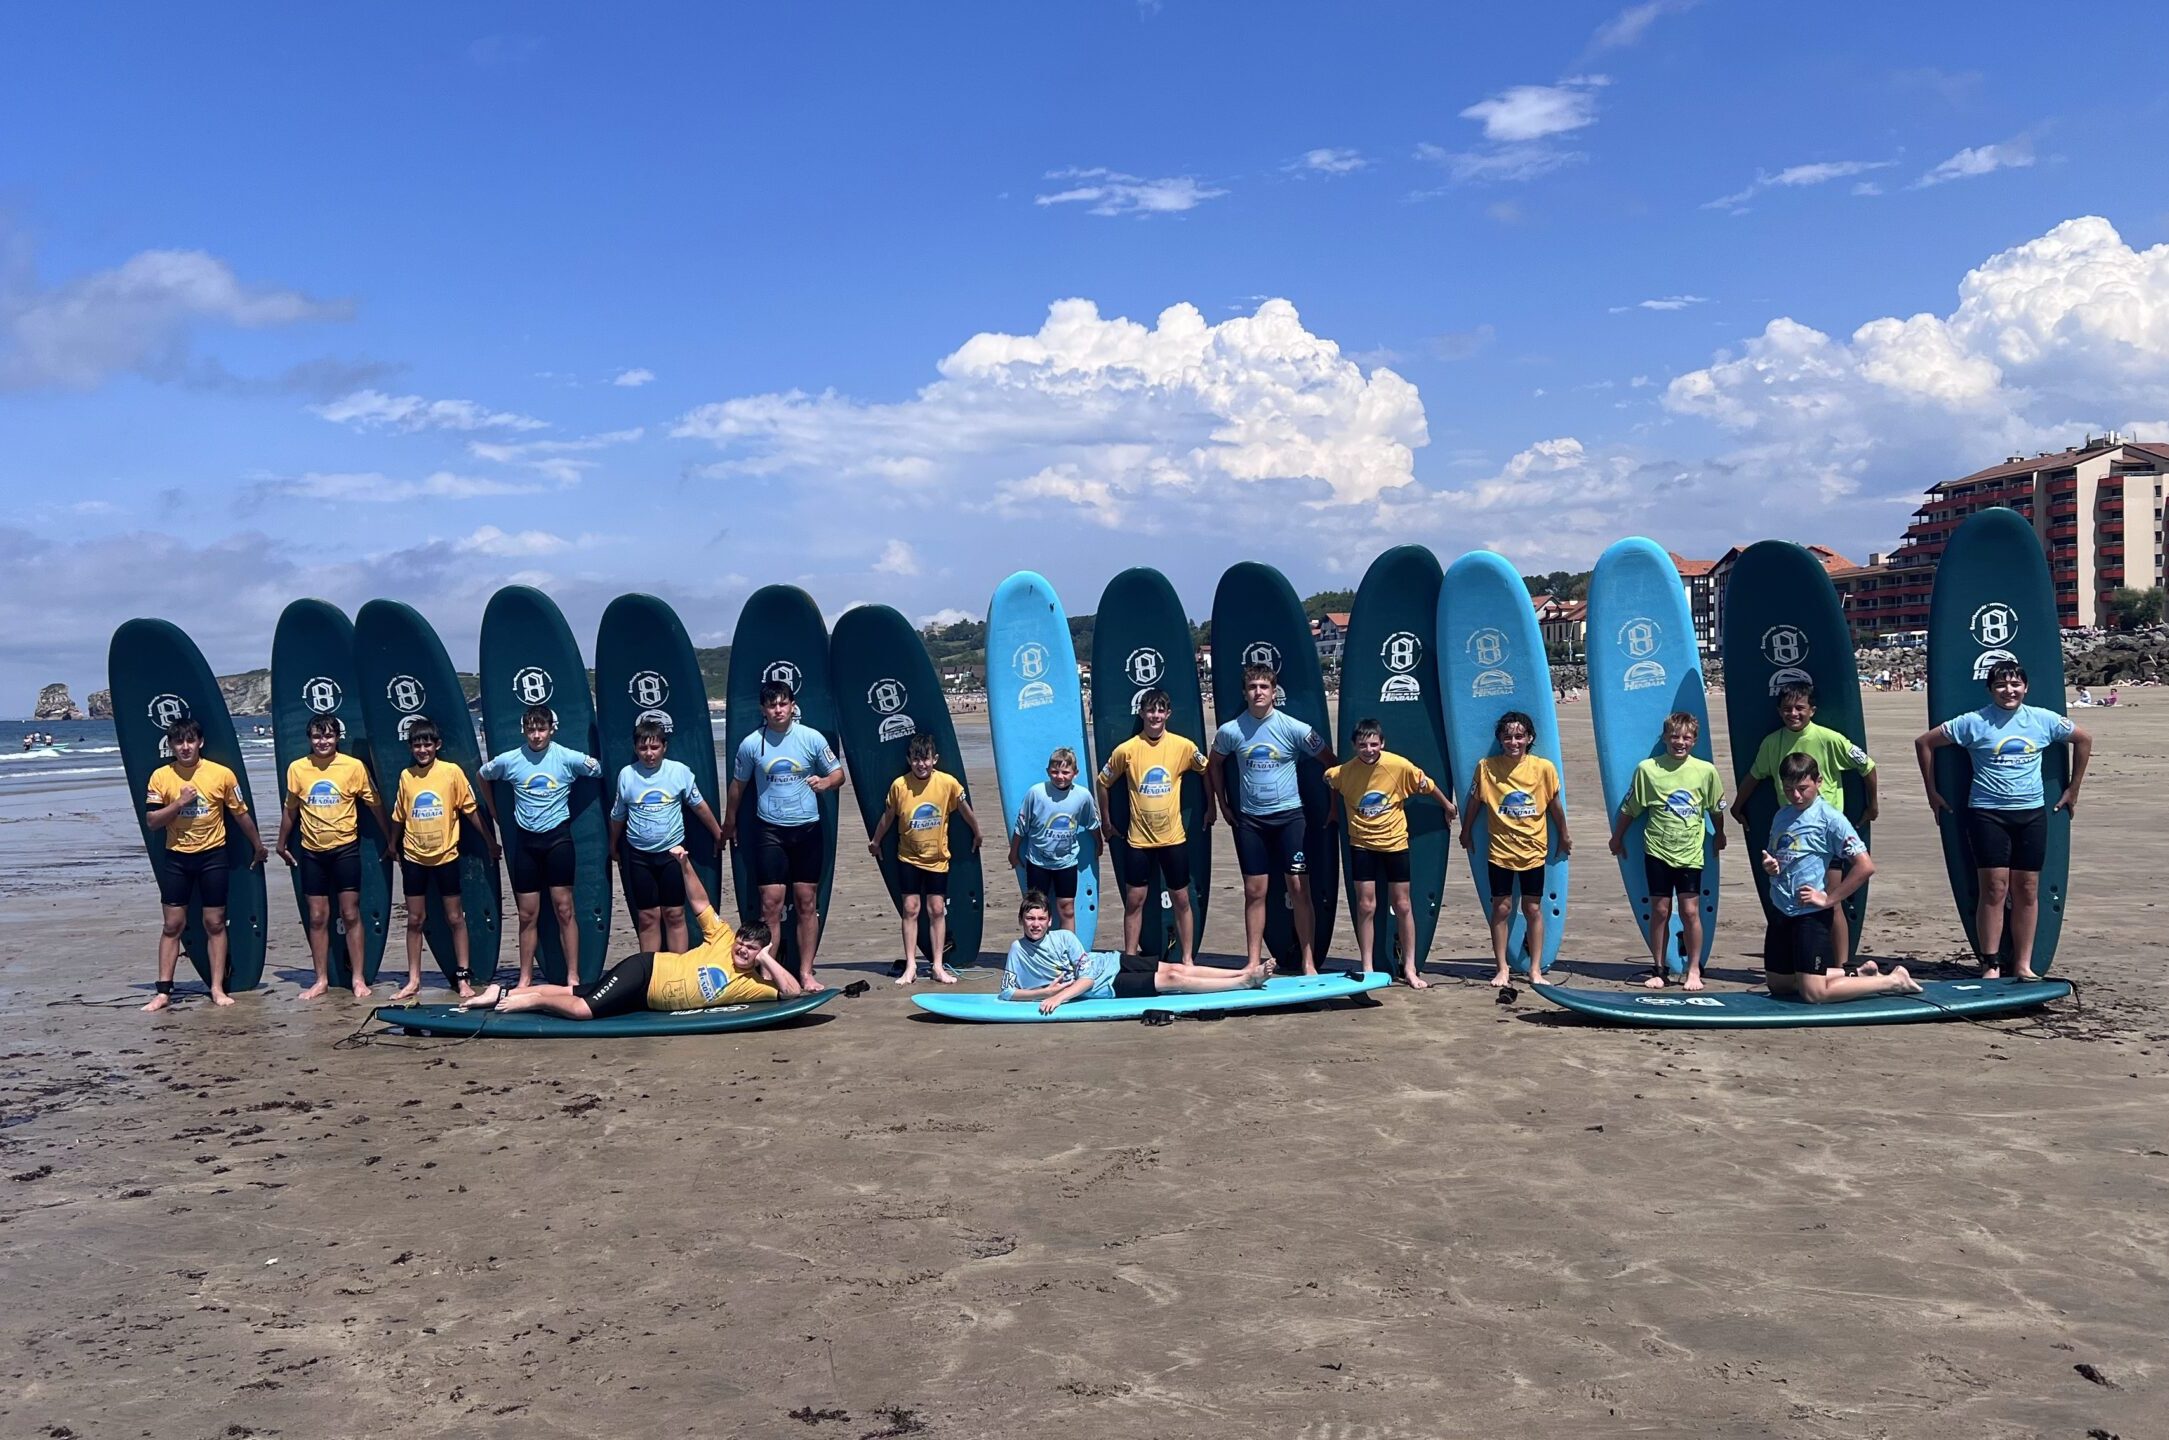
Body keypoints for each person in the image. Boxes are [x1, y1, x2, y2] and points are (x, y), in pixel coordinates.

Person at [462, 848, 798, 1019]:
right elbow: (699, 902)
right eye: (742, 941)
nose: (742, 949)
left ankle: (501, 992)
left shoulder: (753, 985)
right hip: (646, 971)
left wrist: (766, 957)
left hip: (645, 998)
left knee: (573, 990)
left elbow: (792, 992)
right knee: (582, 1010)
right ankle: (531, 1000)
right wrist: (684, 865)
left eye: (751, 948)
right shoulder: (723, 938)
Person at [1913, 660, 2092, 979]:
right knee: (1994, 889)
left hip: (2031, 814)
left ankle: (2023, 964)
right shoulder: (1974, 722)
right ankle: (1991, 964)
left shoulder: (2043, 720)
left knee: (2027, 888)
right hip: (1987, 813)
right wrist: (1932, 793)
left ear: (2026, 687)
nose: (2009, 690)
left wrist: (2073, 789)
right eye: (2000, 685)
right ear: (1990, 690)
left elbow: (2084, 739)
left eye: (2015, 684)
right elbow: (1924, 743)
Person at [1729, 682, 1877, 964]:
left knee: (1831, 903)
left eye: (1800, 708)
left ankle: (1842, 966)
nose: (1793, 713)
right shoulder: (1772, 743)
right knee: (1794, 901)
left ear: (1812, 710)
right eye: (1787, 709)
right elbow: (1754, 776)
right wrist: (1738, 806)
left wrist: (1872, 805)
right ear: (1779, 711)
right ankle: (1804, 963)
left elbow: (1867, 766)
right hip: (1791, 833)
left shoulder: (1829, 739)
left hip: (1825, 836)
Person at [1207, 662, 1337, 975]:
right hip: (1252, 822)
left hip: (1290, 819)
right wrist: (1223, 804)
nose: (1258, 692)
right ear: (1244, 692)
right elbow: (1214, 766)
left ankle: (1308, 961)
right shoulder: (1231, 730)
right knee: (1255, 892)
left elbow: (1331, 763)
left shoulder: (1295, 728)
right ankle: (1252, 961)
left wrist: (1333, 805)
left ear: (1274, 692)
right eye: (1252, 687)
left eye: (1264, 687)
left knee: (1299, 888)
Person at [1761, 754, 1920, 1001]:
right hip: (1782, 908)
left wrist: (1828, 900)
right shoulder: (1782, 815)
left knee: (1813, 993)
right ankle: (1858, 973)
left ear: (1818, 782)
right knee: (1779, 986)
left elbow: (1865, 866)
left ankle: (1893, 980)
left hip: (1810, 914)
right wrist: (1771, 866)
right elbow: (1782, 857)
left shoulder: (1830, 818)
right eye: (1789, 789)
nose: (1796, 796)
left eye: (1802, 788)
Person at [722, 680, 846, 990]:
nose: (778, 710)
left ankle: (806, 972)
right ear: (763, 709)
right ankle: (768, 976)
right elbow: (738, 786)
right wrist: (729, 822)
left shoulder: (811, 738)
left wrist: (826, 783)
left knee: (807, 903)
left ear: (792, 706)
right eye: (772, 705)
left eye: (783, 703)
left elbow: (838, 774)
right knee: (770, 906)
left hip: (807, 830)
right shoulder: (752, 744)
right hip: (770, 831)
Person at [140, 716, 268, 1012]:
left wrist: (258, 845)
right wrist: (179, 803)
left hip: (213, 856)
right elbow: (152, 821)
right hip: (177, 858)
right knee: (173, 925)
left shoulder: (221, 774)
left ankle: (217, 988)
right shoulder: (161, 776)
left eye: (190, 740)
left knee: (214, 923)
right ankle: (163, 992)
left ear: (200, 742)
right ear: (171, 745)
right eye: (178, 742)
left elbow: (240, 814)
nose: (185, 747)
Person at [478, 704, 602, 988]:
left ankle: (573, 975)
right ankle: (525, 978)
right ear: (523, 730)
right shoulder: (510, 760)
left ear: (551, 730)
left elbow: (599, 769)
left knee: (564, 910)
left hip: (558, 840)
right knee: (526, 915)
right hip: (527, 844)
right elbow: (482, 776)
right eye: (531, 729)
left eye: (541, 729)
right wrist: (496, 812)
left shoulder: (566, 757)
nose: (536, 735)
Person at [1325, 717, 1453, 988]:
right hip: (1362, 845)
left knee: (1403, 905)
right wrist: (1333, 810)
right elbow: (1329, 781)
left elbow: (1427, 785)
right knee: (1366, 905)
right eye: (1363, 745)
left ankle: (1410, 968)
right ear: (1354, 746)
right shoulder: (1343, 772)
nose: (1369, 750)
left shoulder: (1399, 766)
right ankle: (1367, 967)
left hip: (1395, 844)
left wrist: (1447, 807)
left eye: (1374, 744)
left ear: (1382, 743)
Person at [997, 891, 1269, 1015]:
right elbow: (1007, 992)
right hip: (1109, 986)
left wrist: (1059, 996)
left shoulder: (1064, 937)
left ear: (1049, 921)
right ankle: (1243, 983)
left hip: (1111, 962)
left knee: (1176, 967)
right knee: (1173, 979)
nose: (1035, 924)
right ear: (1021, 920)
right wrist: (1044, 993)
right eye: (1030, 919)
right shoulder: (1018, 950)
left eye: (1040, 919)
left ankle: (1241, 972)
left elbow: (1086, 976)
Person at [276, 716, 394, 1000]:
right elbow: (291, 809)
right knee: (317, 917)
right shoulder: (298, 768)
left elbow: (374, 804)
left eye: (328, 736)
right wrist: (281, 843)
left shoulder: (353, 767)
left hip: (345, 849)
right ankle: (321, 979)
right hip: (312, 852)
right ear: (309, 739)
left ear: (338, 737)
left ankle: (358, 978)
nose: (323, 742)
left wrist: (390, 840)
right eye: (317, 737)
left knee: (350, 913)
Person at [1608, 711, 1726, 991]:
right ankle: (1659, 969)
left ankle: (1694, 969)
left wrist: (1719, 834)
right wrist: (1617, 837)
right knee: (1660, 910)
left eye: (1686, 737)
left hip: (1690, 853)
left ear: (1694, 740)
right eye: (1674, 736)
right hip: (1657, 850)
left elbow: (1715, 808)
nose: (1680, 742)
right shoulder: (1648, 769)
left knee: (1690, 911)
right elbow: (1630, 808)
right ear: (1664, 738)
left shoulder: (1706, 771)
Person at [1095, 691, 1210, 964]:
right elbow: (1103, 783)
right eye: (1150, 710)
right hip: (1138, 841)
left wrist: (1212, 807)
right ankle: (1130, 959)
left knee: (1181, 899)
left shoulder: (1183, 746)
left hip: (1173, 839)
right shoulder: (1127, 750)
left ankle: (1187, 959)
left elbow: (1206, 771)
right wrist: (1106, 821)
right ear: (1142, 713)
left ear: (1167, 714)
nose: (1155, 716)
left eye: (1160, 711)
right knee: (1135, 900)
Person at [387, 717, 497, 1000]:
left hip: (446, 856)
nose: (422, 750)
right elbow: (399, 816)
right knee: (415, 919)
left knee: (455, 917)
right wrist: (391, 844)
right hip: (413, 857)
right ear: (410, 748)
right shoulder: (407, 776)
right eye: (417, 745)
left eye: (427, 744)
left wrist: (490, 841)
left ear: (437, 745)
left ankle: (463, 978)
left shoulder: (451, 772)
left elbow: (470, 810)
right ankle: (413, 980)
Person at [1459, 710, 1570, 987]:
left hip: (1533, 850)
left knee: (1532, 908)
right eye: (1508, 737)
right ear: (1499, 739)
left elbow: (1555, 805)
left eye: (1519, 736)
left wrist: (1564, 835)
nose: (1514, 742)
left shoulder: (1543, 768)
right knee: (1502, 908)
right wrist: (1466, 830)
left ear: (1529, 738)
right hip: (1500, 851)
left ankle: (1535, 969)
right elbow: (1474, 802)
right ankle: (1502, 967)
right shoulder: (1487, 767)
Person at [868, 733, 983, 985]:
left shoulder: (947, 783)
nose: (922, 764)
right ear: (909, 760)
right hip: (908, 857)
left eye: (926, 759)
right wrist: (876, 841)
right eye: (916, 759)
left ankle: (937, 966)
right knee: (910, 909)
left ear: (935, 759)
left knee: (936, 909)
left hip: (937, 858)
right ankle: (910, 966)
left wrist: (977, 832)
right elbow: (888, 816)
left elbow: (965, 810)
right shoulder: (900, 786)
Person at [609, 718, 725, 954]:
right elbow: (618, 815)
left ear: (664, 747)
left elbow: (698, 806)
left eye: (654, 747)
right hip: (639, 856)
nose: (649, 753)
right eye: (643, 747)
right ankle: (650, 969)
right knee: (647, 917)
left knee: (674, 914)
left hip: (672, 854)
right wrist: (613, 845)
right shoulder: (627, 775)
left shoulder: (679, 772)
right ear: (635, 749)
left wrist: (718, 834)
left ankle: (677, 968)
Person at [1006, 746, 1100, 936]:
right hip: (1038, 861)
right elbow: (1021, 826)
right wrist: (1013, 852)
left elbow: (1092, 823)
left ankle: (1068, 949)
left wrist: (1098, 845)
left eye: (1065, 772)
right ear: (1048, 771)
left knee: (1067, 908)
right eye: (1055, 772)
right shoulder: (1036, 793)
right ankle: (1036, 948)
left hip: (1066, 862)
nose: (1060, 776)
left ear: (1075, 773)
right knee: (1036, 910)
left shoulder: (1082, 796)